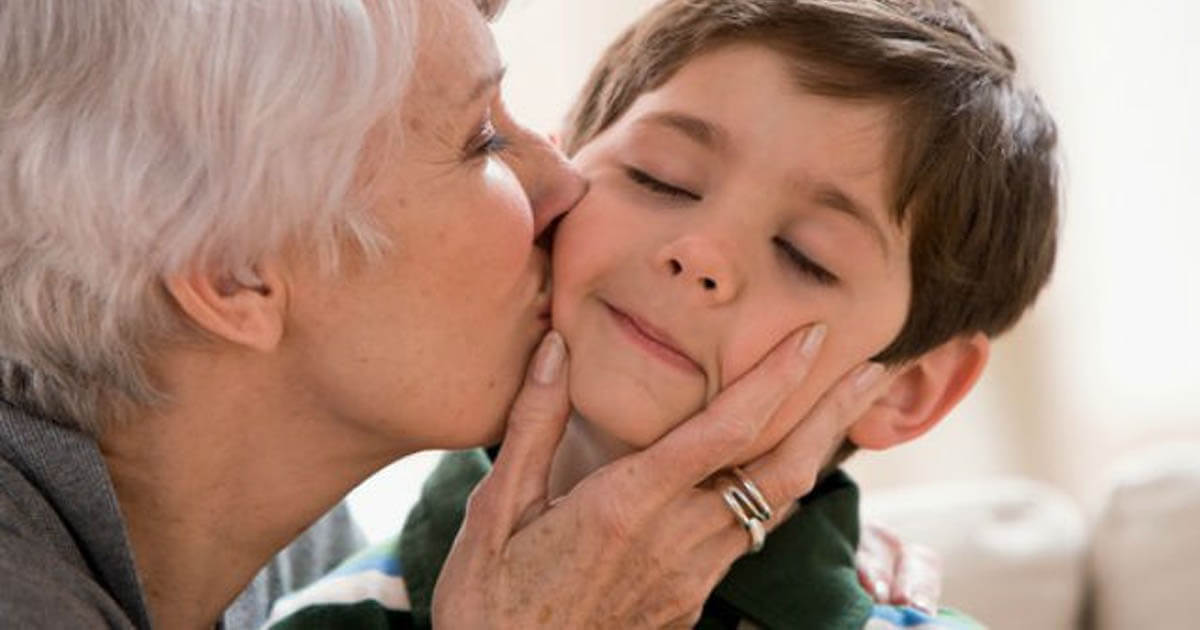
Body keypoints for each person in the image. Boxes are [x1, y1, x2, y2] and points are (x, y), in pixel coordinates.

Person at [0, 0, 896, 628]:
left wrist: (792, 552)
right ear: (232, 273)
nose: (565, 181)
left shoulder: (284, 557)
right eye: (483, 143)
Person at [266, 0, 1059, 627]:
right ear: (561, 176)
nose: (700, 254)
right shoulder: (334, 613)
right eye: (662, 179)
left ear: (907, 387)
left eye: (805, 255)